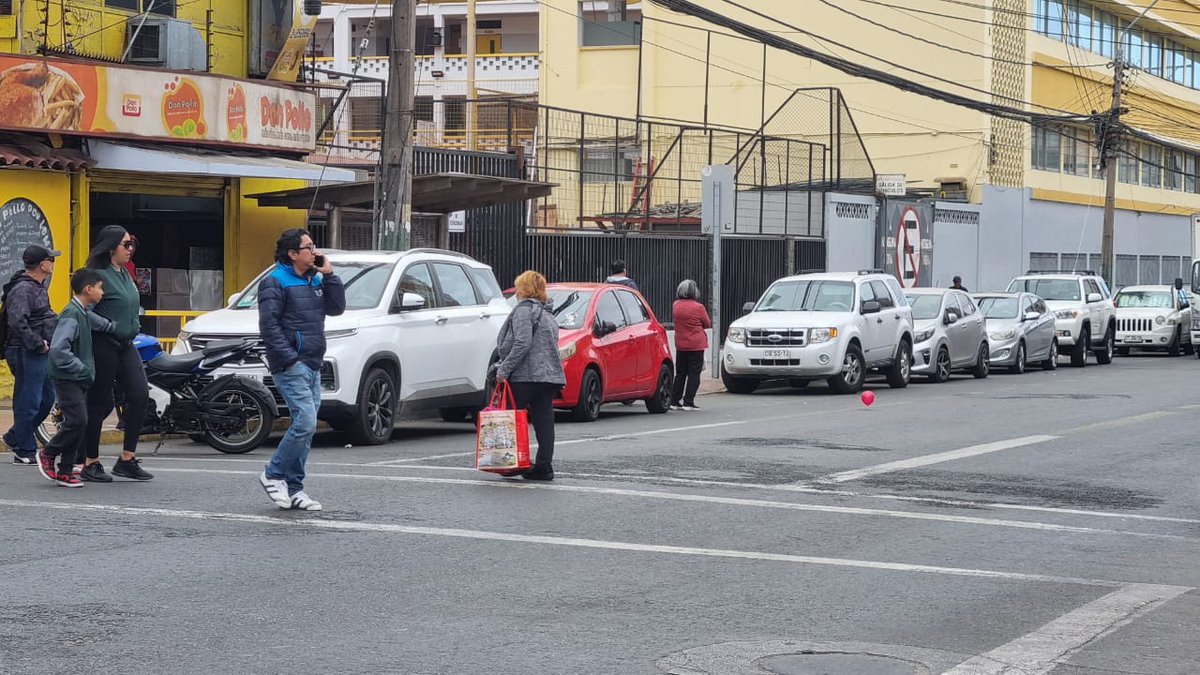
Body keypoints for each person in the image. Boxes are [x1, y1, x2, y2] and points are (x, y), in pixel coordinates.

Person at [257, 229, 346, 511]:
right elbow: (269, 327)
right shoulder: (275, 282)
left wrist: (331, 276)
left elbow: (336, 308)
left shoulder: (315, 279)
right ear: (292, 254)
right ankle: (273, 473)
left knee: (305, 428)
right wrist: (289, 358)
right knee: (306, 422)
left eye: (313, 246)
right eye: (308, 247)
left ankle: (295, 488)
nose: (315, 252)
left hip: (313, 362)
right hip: (292, 364)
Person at [80, 225, 153, 482]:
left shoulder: (124, 274)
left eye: (132, 243)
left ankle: (127, 459)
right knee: (99, 403)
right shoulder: (96, 275)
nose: (130, 249)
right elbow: (82, 310)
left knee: (139, 394)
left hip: (126, 343)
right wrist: (107, 325)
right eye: (125, 244)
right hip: (103, 344)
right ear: (111, 247)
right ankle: (91, 462)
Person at [36, 270, 108, 488]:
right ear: (88, 289)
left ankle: (66, 470)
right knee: (78, 421)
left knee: (77, 422)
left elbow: (101, 322)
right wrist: (81, 368)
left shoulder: (82, 311)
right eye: (99, 287)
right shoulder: (72, 314)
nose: (102, 292)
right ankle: (48, 453)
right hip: (68, 377)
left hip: (77, 378)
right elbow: (58, 350)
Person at [495, 271, 565, 481]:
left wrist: (504, 368)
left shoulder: (523, 311)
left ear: (524, 289)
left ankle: (510, 461)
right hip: (549, 375)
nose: (516, 292)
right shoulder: (547, 313)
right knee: (544, 421)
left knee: (509, 417)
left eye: (518, 287)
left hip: (525, 375)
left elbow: (521, 343)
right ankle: (544, 466)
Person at [2, 245, 60, 465]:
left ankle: (15, 435)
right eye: (50, 260)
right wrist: (38, 344)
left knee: (47, 398)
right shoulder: (23, 289)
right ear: (42, 264)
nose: (53, 264)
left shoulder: (37, 287)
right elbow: (17, 321)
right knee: (29, 400)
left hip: (39, 351)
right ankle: (24, 449)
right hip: (25, 351)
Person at [670, 279, 711, 411]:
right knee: (694, 373)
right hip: (696, 344)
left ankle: (674, 400)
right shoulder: (698, 307)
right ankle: (688, 401)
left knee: (680, 373)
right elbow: (707, 323)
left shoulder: (675, 305)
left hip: (681, 344)